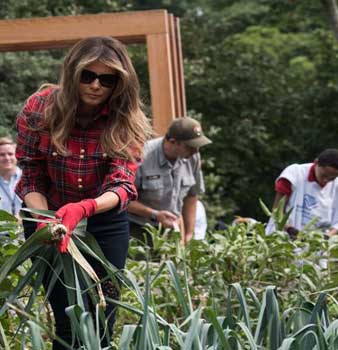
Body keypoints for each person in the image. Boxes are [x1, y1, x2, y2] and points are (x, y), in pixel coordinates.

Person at [15, 36, 150, 349]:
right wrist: (43, 218)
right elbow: (31, 174)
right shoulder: (40, 107)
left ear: (120, 82)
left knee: (104, 312)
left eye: (107, 79)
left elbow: (122, 183)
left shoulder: (127, 120)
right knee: (68, 315)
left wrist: (85, 208)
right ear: (73, 73)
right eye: (87, 75)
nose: (96, 85)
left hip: (103, 219)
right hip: (49, 215)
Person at [127, 117, 211, 244]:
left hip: (172, 229)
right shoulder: (142, 157)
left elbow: (191, 196)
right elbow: (124, 201)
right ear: (172, 141)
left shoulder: (192, 157)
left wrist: (189, 234)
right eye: (190, 146)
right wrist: (154, 214)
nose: (196, 151)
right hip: (139, 229)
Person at [265, 148, 338, 239]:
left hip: (314, 247)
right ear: (316, 163)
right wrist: (289, 229)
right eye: (323, 175)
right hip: (280, 239)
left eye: (332, 178)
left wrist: (327, 236)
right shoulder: (294, 174)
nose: (326, 180)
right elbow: (277, 210)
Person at [0, 137, 22, 217]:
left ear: (16, 156)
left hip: (27, 228)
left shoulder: (28, 179)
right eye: (2, 155)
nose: (7, 158)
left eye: (10, 154)